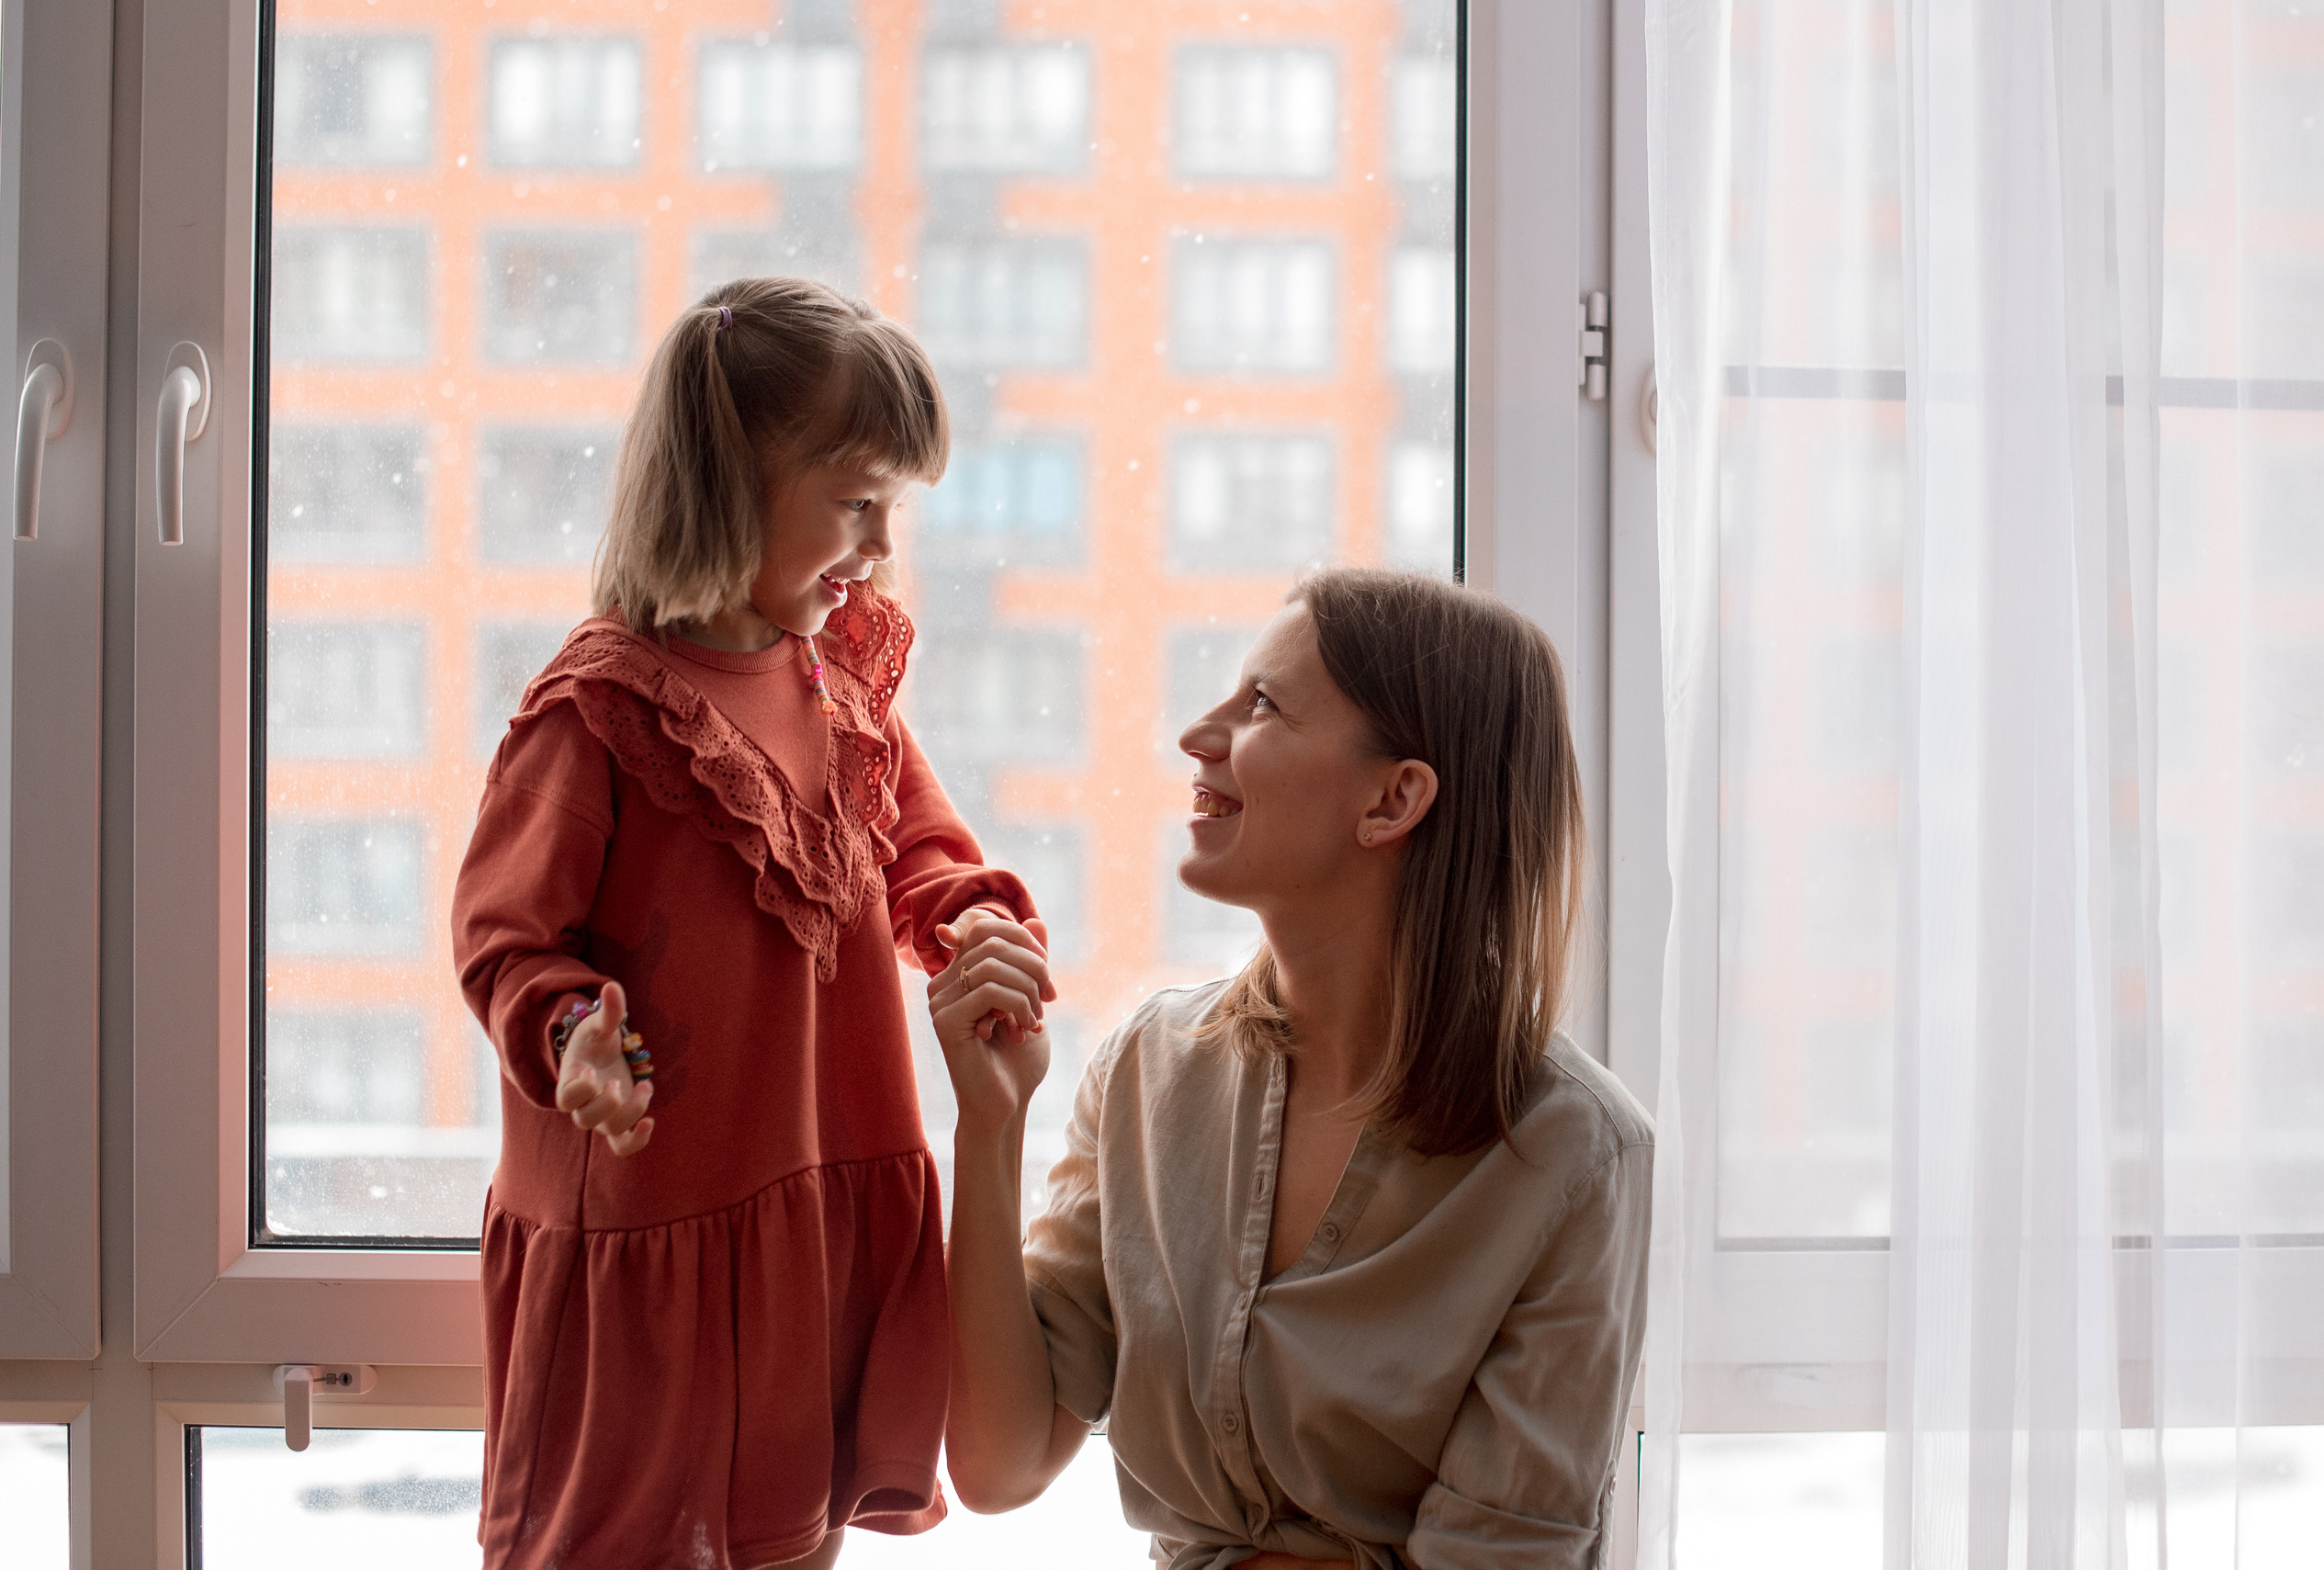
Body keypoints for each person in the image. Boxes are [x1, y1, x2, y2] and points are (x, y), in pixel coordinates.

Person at [452, 277, 1054, 1570]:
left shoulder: (840, 679)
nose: (882, 541)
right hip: (651, 1241)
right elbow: (504, 936)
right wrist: (570, 1036)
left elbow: (923, 849)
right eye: (856, 499)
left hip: (813, 1215)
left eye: (894, 501)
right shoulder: (598, 710)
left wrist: (972, 927)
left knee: (792, 1535)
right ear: (731, 482)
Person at [932, 569, 1653, 1568]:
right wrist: (991, 1122)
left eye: (1261, 703)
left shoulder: (1574, 1155)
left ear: (1394, 798)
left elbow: (1498, 1555)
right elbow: (998, 1463)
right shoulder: (1149, 1068)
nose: (1198, 732)